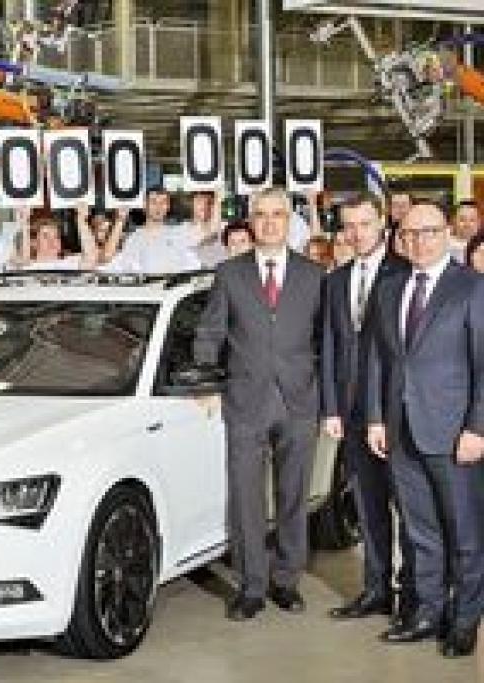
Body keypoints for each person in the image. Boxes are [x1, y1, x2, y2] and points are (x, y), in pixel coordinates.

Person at [194, 187, 325, 621]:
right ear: (251, 222)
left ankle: (285, 580)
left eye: (277, 215)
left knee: (293, 495)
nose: (269, 222)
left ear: (289, 221)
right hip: (245, 400)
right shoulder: (229, 273)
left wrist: (326, 397)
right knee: (246, 498)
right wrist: (206, 382)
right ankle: (251, 587)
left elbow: (326, 340)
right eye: (261, 215)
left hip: (298, 401)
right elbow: (210, 333)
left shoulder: (314, 274)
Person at [366, 200, 484, 657]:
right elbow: (378, 359)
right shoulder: (389, 288)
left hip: (455, 434)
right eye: (410, 233)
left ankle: (465, 620)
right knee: (420, 532)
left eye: (429, 231)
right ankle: (427, 613)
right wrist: (376, 417)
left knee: (465, 534)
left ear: (446, 233)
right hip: (401, 431)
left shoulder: (472, 287)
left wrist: (477, 428)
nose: (419, 241)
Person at [320, 194, 411, 622]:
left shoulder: (404, 274)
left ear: (382, 225)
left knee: (409, 508)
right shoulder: (336, 280)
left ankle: (413, 593)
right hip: (353, 412)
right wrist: (331, 408)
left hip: (398, 412)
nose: (357, 233)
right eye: (349, 226)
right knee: (369, 506)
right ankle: (377, 589)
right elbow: (330, 345)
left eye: (365, 224)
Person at [104, 188, 200, 274]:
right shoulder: (133, 238)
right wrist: (120, 220)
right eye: (154, 202)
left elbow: (194, 266)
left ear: (168, 206)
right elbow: (108, 260)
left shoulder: (179, 233)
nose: (158, 207)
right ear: (144, 205)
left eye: (163, 202)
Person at [15, 204, 98, 271]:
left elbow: (91, 258)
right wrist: (24, 223)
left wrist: (82, 220)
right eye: (46, 236)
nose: (52, 241)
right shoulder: (29, 266)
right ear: (34, 242)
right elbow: (23, 259)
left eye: (56, 236)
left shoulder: (70, 263)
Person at [184, 191, 226, 267]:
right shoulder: (184, 230)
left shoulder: (226, 228)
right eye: (199, 201)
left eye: (209, 202)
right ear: (192, 204)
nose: (204, 206)